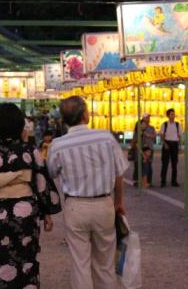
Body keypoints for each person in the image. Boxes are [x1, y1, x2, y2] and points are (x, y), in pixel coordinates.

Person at [0, 103, 61, 288]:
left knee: (2, 256)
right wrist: (47, 213)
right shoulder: (29, 151)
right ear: (20, 127)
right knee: (27, 258)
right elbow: (41, 182)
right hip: (27, 211)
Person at [47, 96, 128, 289]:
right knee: (105, 261)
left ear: (64, 120)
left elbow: (51, 172)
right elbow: (119, 174)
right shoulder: (106, 137)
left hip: (75, 206)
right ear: (85, 114)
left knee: (80, 263)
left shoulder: (58, 144)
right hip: (103, 204)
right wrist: (118, 202)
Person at [159, 108, 182, 187]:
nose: (173, 115)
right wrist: (164, 143)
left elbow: (179, 135)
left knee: (174, 164)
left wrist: (179, 145)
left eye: (174, 114)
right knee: (165, 163)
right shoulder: (164, 124)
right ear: (168, 115)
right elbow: (161, 135)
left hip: (175, 144)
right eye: (171, 114)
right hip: (167, 143)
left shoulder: (178, 124)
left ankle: (174, 181)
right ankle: (163, 181)